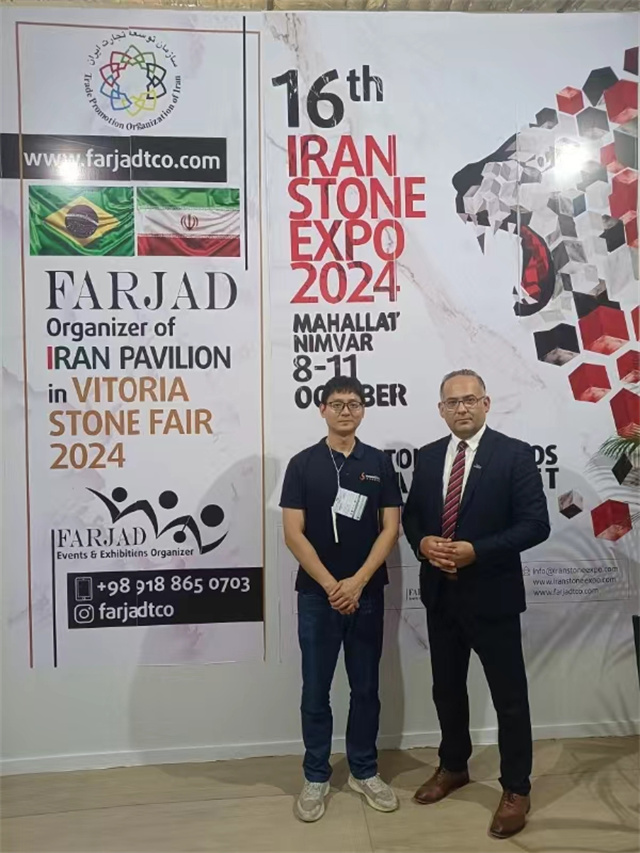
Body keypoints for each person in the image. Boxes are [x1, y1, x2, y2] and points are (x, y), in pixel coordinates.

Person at [402, 369, 550, 838]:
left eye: (469, 400)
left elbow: (536, 525)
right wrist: (422, 542)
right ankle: (453, 766)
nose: (461, 408)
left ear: (486, 403)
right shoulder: (428, 457)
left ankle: (516, 788)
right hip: (440, 595)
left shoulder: (514, 454)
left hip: (493, 598)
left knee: (510, 699)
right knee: (446, 690)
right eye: (452, 402)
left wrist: (477, 551)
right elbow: (412, 517)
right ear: (441, 410)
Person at [280, 375, 402, 822]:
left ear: (363, 409)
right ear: (322, 410)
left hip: (366, 596)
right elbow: (293, 533)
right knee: (315, 690)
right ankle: (315, 776)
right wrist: (334, 586)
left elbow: (390, 528)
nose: (345, 410)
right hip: (318, 598)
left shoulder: (379, 463)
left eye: (353, 403)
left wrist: (357, 582)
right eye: (336, 404)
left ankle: (364, 770)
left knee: (366, 688)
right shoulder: (302, 464)